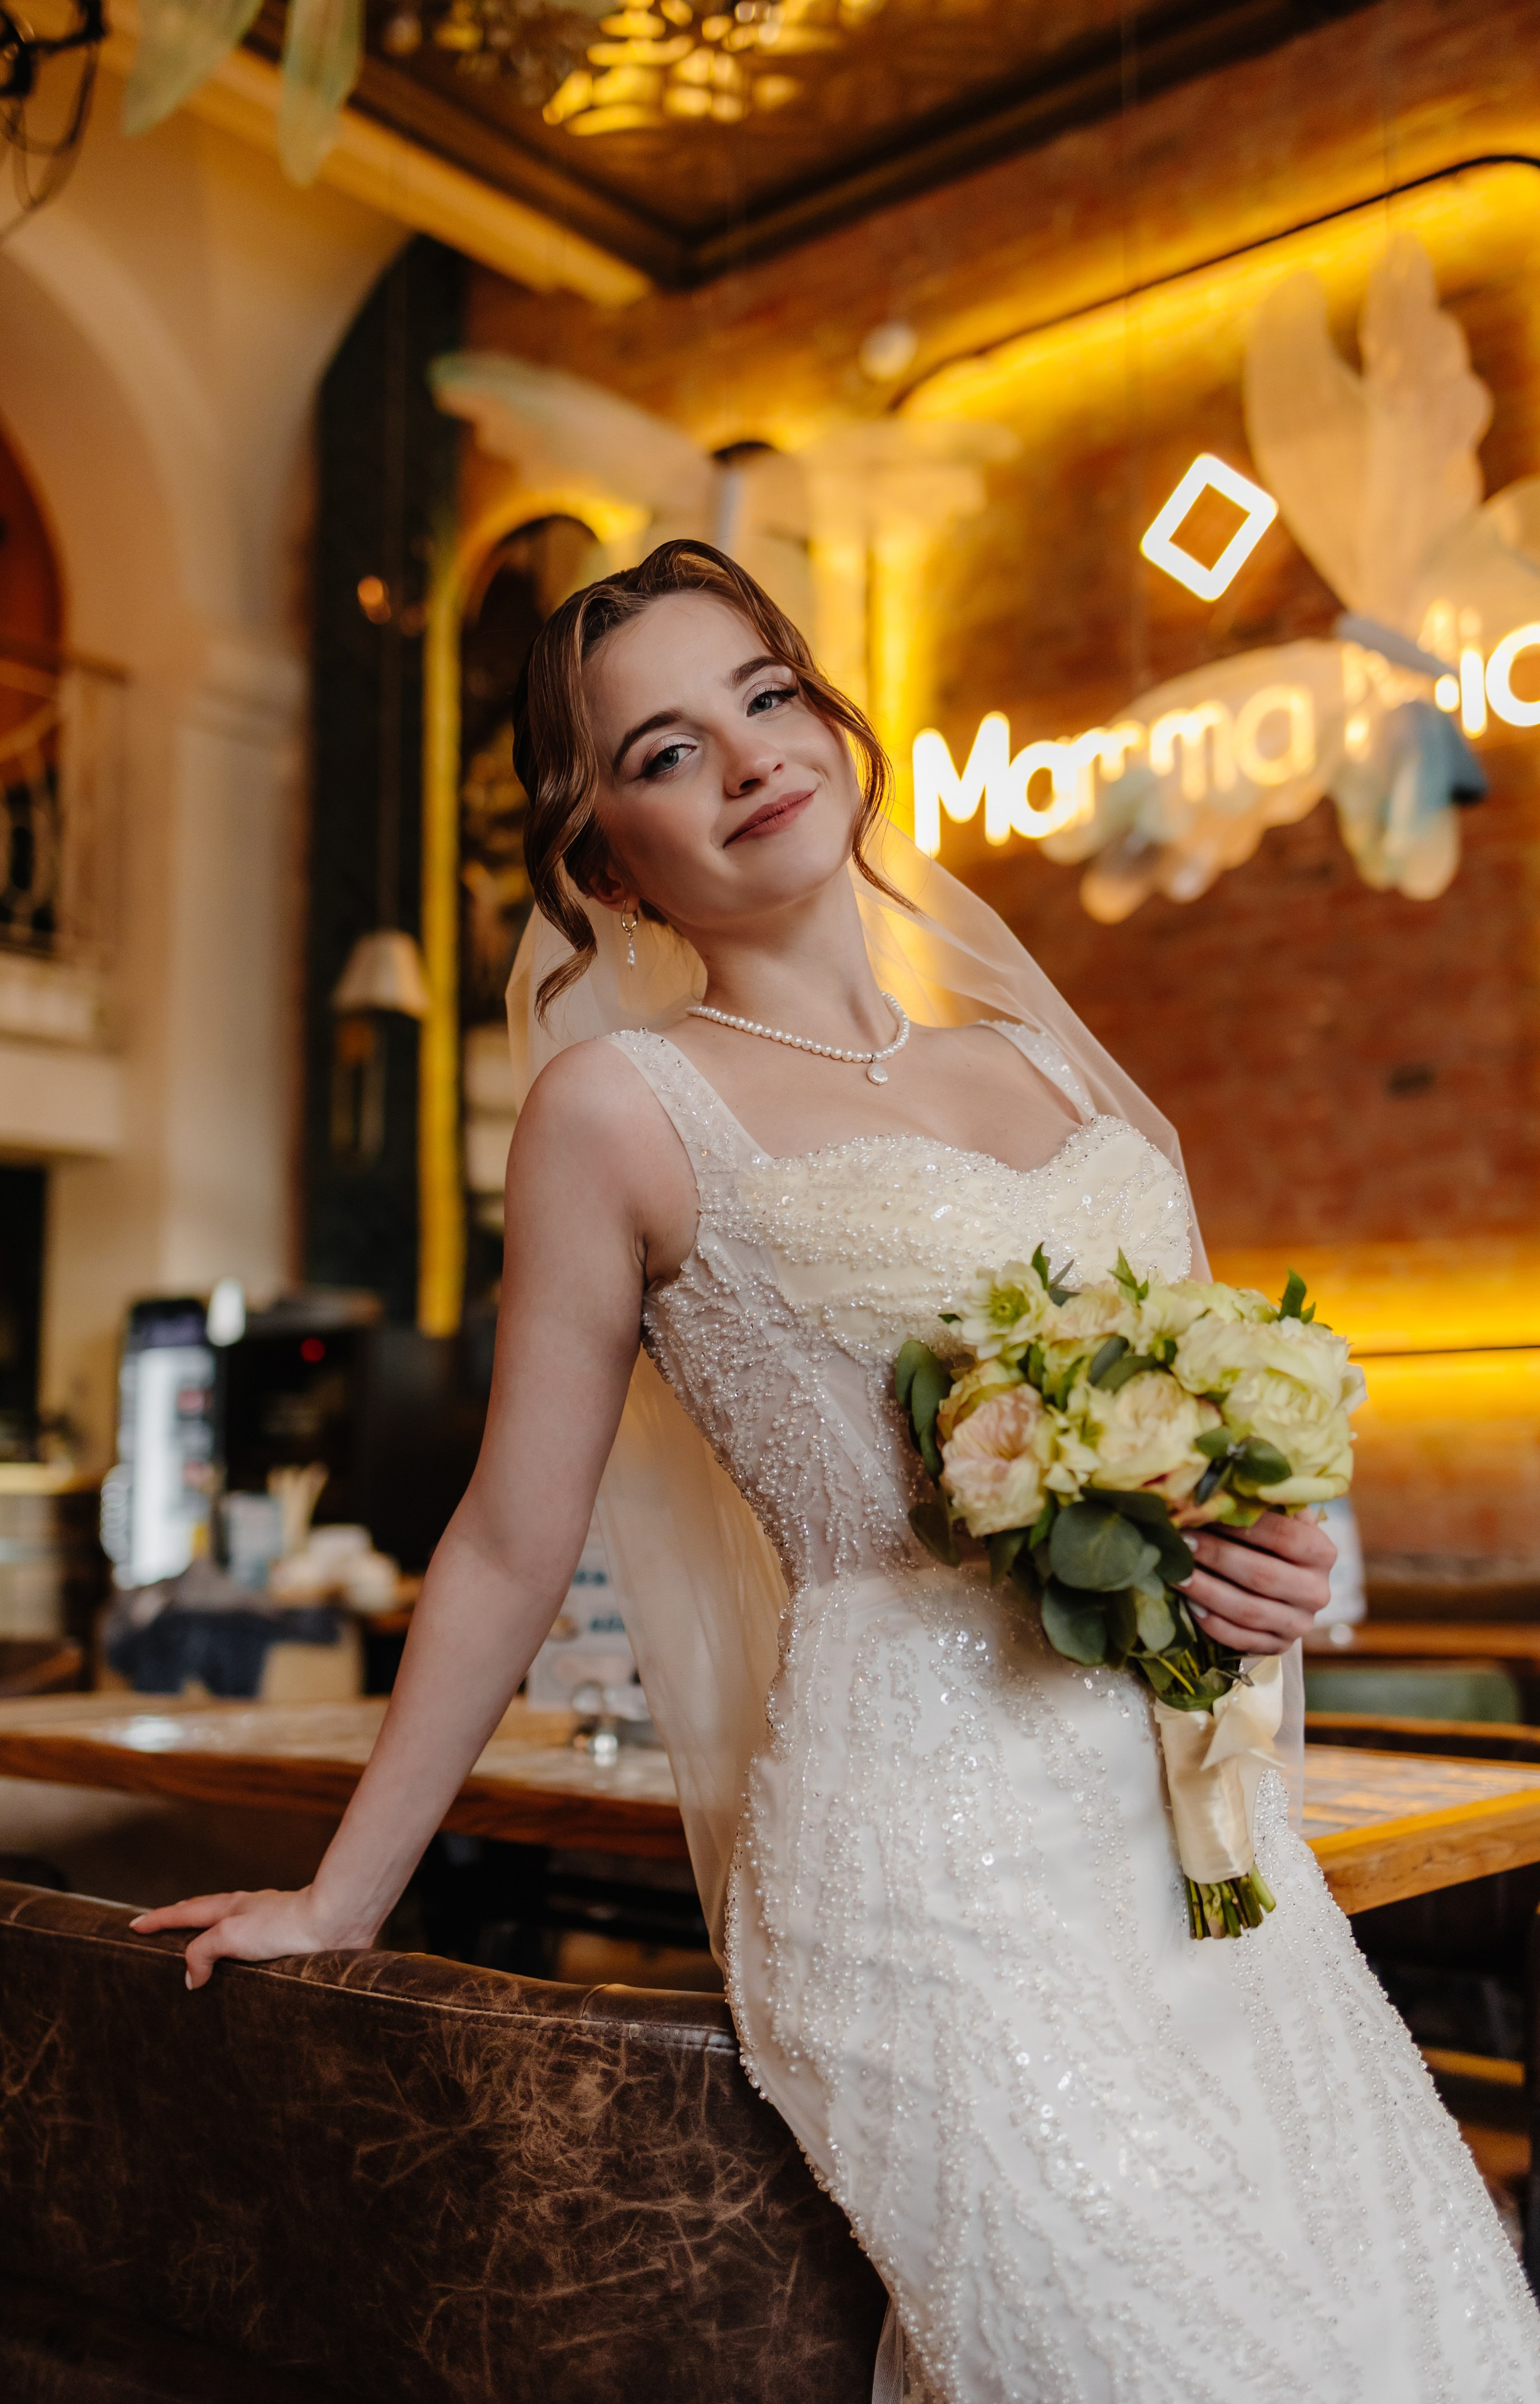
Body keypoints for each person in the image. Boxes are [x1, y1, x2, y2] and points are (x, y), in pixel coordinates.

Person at [135, 542, 1538, 2402]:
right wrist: (342, 1896)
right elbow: (502, 1542)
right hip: (925, 1863)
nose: (742, 757)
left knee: (1417, 2340)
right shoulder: (619, 1110)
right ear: (603, 853)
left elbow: (1222, 1461)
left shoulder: (1060, 1075)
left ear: (836, 725)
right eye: (661, 747)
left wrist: (1272, 1557)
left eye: (765, 697)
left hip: (1206, 1847)